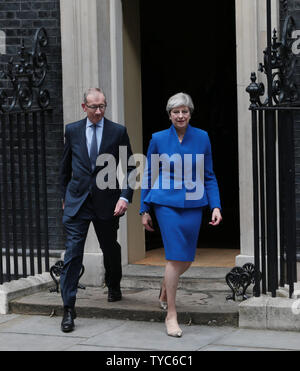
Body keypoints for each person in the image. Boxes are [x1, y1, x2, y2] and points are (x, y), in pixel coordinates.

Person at [140, 92, 222, 338]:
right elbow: (148, 174)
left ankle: (166, 287)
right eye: (176, 111)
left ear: (190, 113)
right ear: (169, 115)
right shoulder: (158, 139)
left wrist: (215, 206)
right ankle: (171, 314)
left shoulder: (203, 138)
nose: (180, 115)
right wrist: (144, 208)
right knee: (176, 257)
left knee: (186, 258)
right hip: (166, 203)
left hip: (195, 203)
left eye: (184, 111)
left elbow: (209, 175)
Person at [59, 88, 135, 333]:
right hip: (77, 202)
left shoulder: (117, 131)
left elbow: (132, 167)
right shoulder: (72, 130)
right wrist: (64, 197)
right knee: (73, 253)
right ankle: (68, 308)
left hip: (107, 202)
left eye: (103, 106)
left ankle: (114, 283)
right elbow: (65, 167)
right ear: (84, 107)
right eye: (94, 107)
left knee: (109, 247)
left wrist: (125, 196)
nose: (99, 111)